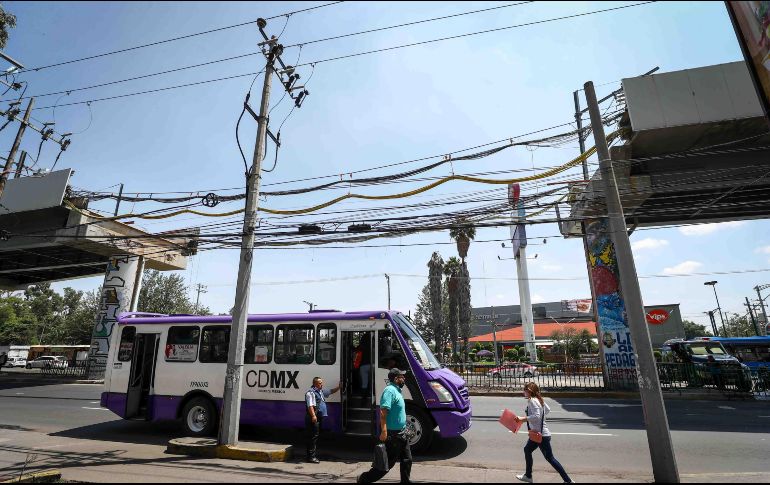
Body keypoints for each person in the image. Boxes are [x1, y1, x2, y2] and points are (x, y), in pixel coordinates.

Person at [357, 368, 412, 484]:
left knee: (407, 459)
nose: (404, 378)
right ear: (396, 379)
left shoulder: (397, 390)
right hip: (393, 434)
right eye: (402, 377)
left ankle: (405, 481)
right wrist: (384, 431)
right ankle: (364, 479)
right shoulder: (389, 391)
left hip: (402, 432)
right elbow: (383, 412)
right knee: (388, 464)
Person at [514, 382, 573, 483]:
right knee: (527, 450)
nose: (523, 391)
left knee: (550, 458)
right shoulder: (539, 399)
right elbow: (547, 410)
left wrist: (522, 419)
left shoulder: (533, 401)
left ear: (529, 391)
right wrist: (539, 418)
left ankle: (568, 481)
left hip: (541, 435)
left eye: (525, 389)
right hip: (537, 434)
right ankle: (528, 476)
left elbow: (537, 416)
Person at [305, 377, 341, 464]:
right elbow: (310, 406)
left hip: (318, 417)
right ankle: (311, 457)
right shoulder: (311, 393)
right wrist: (313, 416)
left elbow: (331, 391)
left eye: (321, 383)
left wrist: (339, 387)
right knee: (313, 437)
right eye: (320, 383)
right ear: (315, 384)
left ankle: (311, 455)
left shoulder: (320, 391)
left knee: (315, 436)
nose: (322, 384)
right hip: (314, 418)